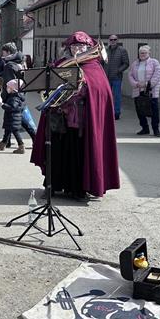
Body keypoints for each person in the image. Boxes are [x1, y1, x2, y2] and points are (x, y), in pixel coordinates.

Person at [30, 31, 120, 200]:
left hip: (82, 120)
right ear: (69, 48)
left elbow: (101, 92)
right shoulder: (61, 64)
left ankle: (79, 189)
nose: (78, 50)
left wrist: (84, 87)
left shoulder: (95, 67)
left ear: (88, 47)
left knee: (79, 154)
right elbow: (48, 87)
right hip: (59, 118)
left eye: (82, 46)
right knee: (55, 152)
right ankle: (53, 186)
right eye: (75, 46)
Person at [0, 42, 36, 141]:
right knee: (11, 118)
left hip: (13, 95)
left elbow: (10, 82)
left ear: (8, 52)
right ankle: (5, 141)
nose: (2, 55)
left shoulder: (9, 65)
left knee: (18, 119)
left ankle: (34, 138)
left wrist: (5, 95)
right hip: (21, 93)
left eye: (3, 52)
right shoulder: (20, 61)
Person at [128, 45, 160, 137]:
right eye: (140, 53)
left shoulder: (154, 62)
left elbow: (157, 75)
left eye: (144, 53)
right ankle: (144, 128)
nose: (142, 54)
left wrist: (147, 84)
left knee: (154, 111)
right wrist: (135, 84)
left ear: (148, 53)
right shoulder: (135, 63)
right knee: (140, 110)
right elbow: (130, 75)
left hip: (150, 91)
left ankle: (156, 129)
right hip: (138, 90)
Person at [0, 78, 27, 154]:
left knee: (15, 132)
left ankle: (21, 146)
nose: (6, 88)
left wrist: (2, 105)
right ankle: (3, 143)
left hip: (13, 118)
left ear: (13, 89)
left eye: (8, 87)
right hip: (12, 118)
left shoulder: (14, 98)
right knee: (7, 130)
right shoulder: (15, 96)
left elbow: (12, 107)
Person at [104, 34, 130, 120]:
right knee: (106, 96)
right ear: (109, 40)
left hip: (116, 77)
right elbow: (101, 62)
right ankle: (107, 112)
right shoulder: (105, 51)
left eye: (114, 39)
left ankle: (116, 113)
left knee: (116, 96)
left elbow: (126, 63)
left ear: (117, 40)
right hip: (106, 77)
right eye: (111, 40)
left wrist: (118, 70)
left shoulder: (122, 50)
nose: (113, 41)